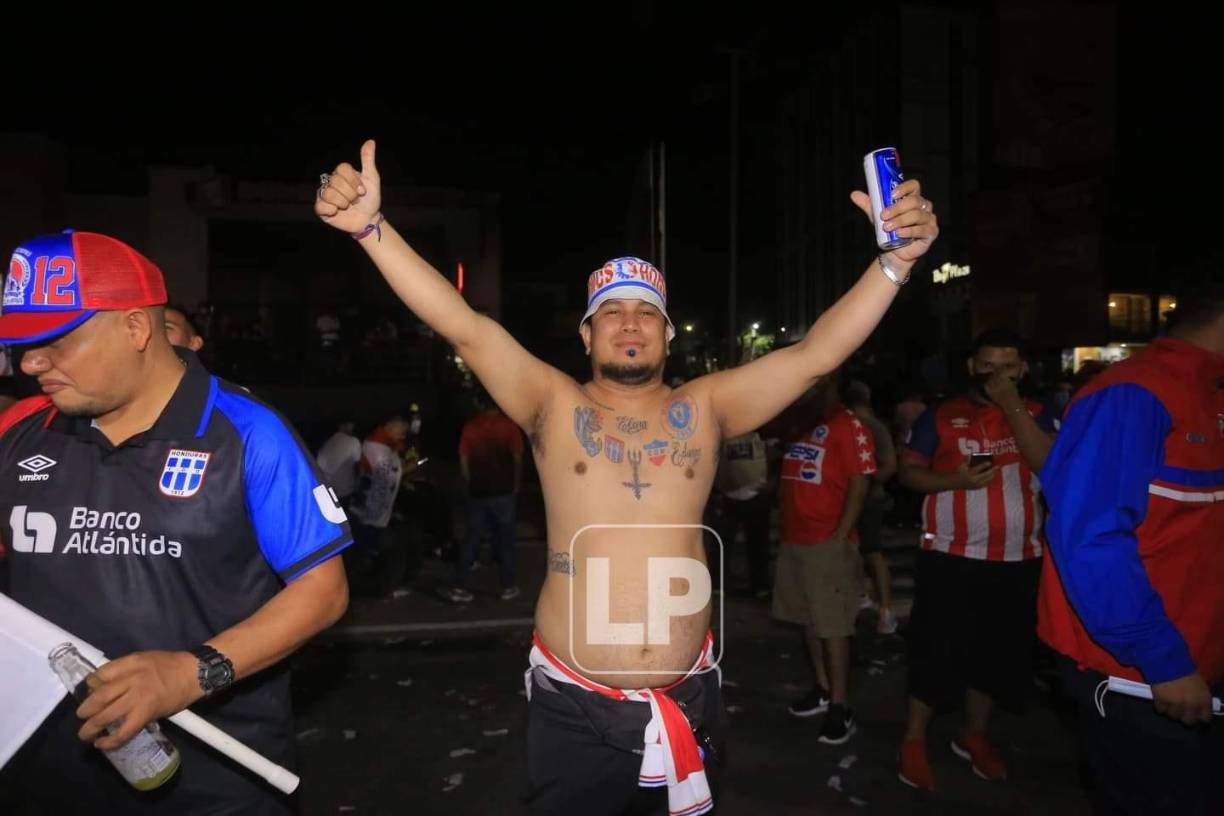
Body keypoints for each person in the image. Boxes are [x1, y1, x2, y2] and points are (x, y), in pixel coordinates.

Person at [315, 139, 938, 815]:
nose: (630, 324)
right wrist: (373, 232)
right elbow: (464, 326)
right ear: (586, 335)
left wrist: (894, 264)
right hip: (575, 711)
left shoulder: (705, 408)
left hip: (687, 697)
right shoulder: (552, 404)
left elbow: (816, 354)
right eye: (612, 312)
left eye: (647, 312)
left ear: (669, 336)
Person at [0, 229, 351, 815]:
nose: (32, 364)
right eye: (20, 345)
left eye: (54, 341)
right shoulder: (19, 429)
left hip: (212, 780)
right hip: (42, 774)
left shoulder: (247, 433)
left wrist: (191, 673)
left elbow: (323, 590)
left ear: (136, 328)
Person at [1038, 287, 1224, 815]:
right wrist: (1162, 661)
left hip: (1195, 663)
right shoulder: (1133, 394)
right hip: (1145, 678)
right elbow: (1089, 538)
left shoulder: (1209, 395)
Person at [896, 328, 1057, 790]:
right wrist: (955, 483)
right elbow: (908, 473)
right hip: (949, 555)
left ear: (1023, 370)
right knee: (934, 651)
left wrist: (1010, 404)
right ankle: (913, 739)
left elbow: (1050, 464)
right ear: (971, 367)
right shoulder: (942, 415)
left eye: (1008, 367)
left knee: (996, 655)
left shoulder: (1042, 413)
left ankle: (975, 735)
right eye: (987, 366)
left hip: (1018, 557)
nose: (997, 375)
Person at [773, 375, 876, 745]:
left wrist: (839, 536)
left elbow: (860, 483)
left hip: (827, 543)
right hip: (794, 540)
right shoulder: (800, 422)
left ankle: (840, 704)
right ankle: (821, 686)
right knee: (808, 620)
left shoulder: (848, 424)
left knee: (833, 625)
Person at [446, 390, 525, 602]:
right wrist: (516, 484)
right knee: (506, 539)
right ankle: (508, 586)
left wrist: (469, 482)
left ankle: (460, 585)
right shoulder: (509, 426)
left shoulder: (471, 426)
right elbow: (517, 458)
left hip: (478, 490)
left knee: (472, 538)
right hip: (504, 490)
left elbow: (463, 458)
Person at [844, 379, 899, 634]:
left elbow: (889, 465)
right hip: (848, 499)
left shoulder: (872, 427)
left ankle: (885, 608)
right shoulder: (850, 426)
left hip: (869, 500)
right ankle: (863, 598)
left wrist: (864, 481)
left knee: (872, 551)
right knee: (855, 549)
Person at [317, 417, 363, 504]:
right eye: (349, 425)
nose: (352, 428)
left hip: (326, 489)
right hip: (344, 491)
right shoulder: (354, 442)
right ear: (341, 426)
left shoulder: (327, 442)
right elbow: (358, 466)